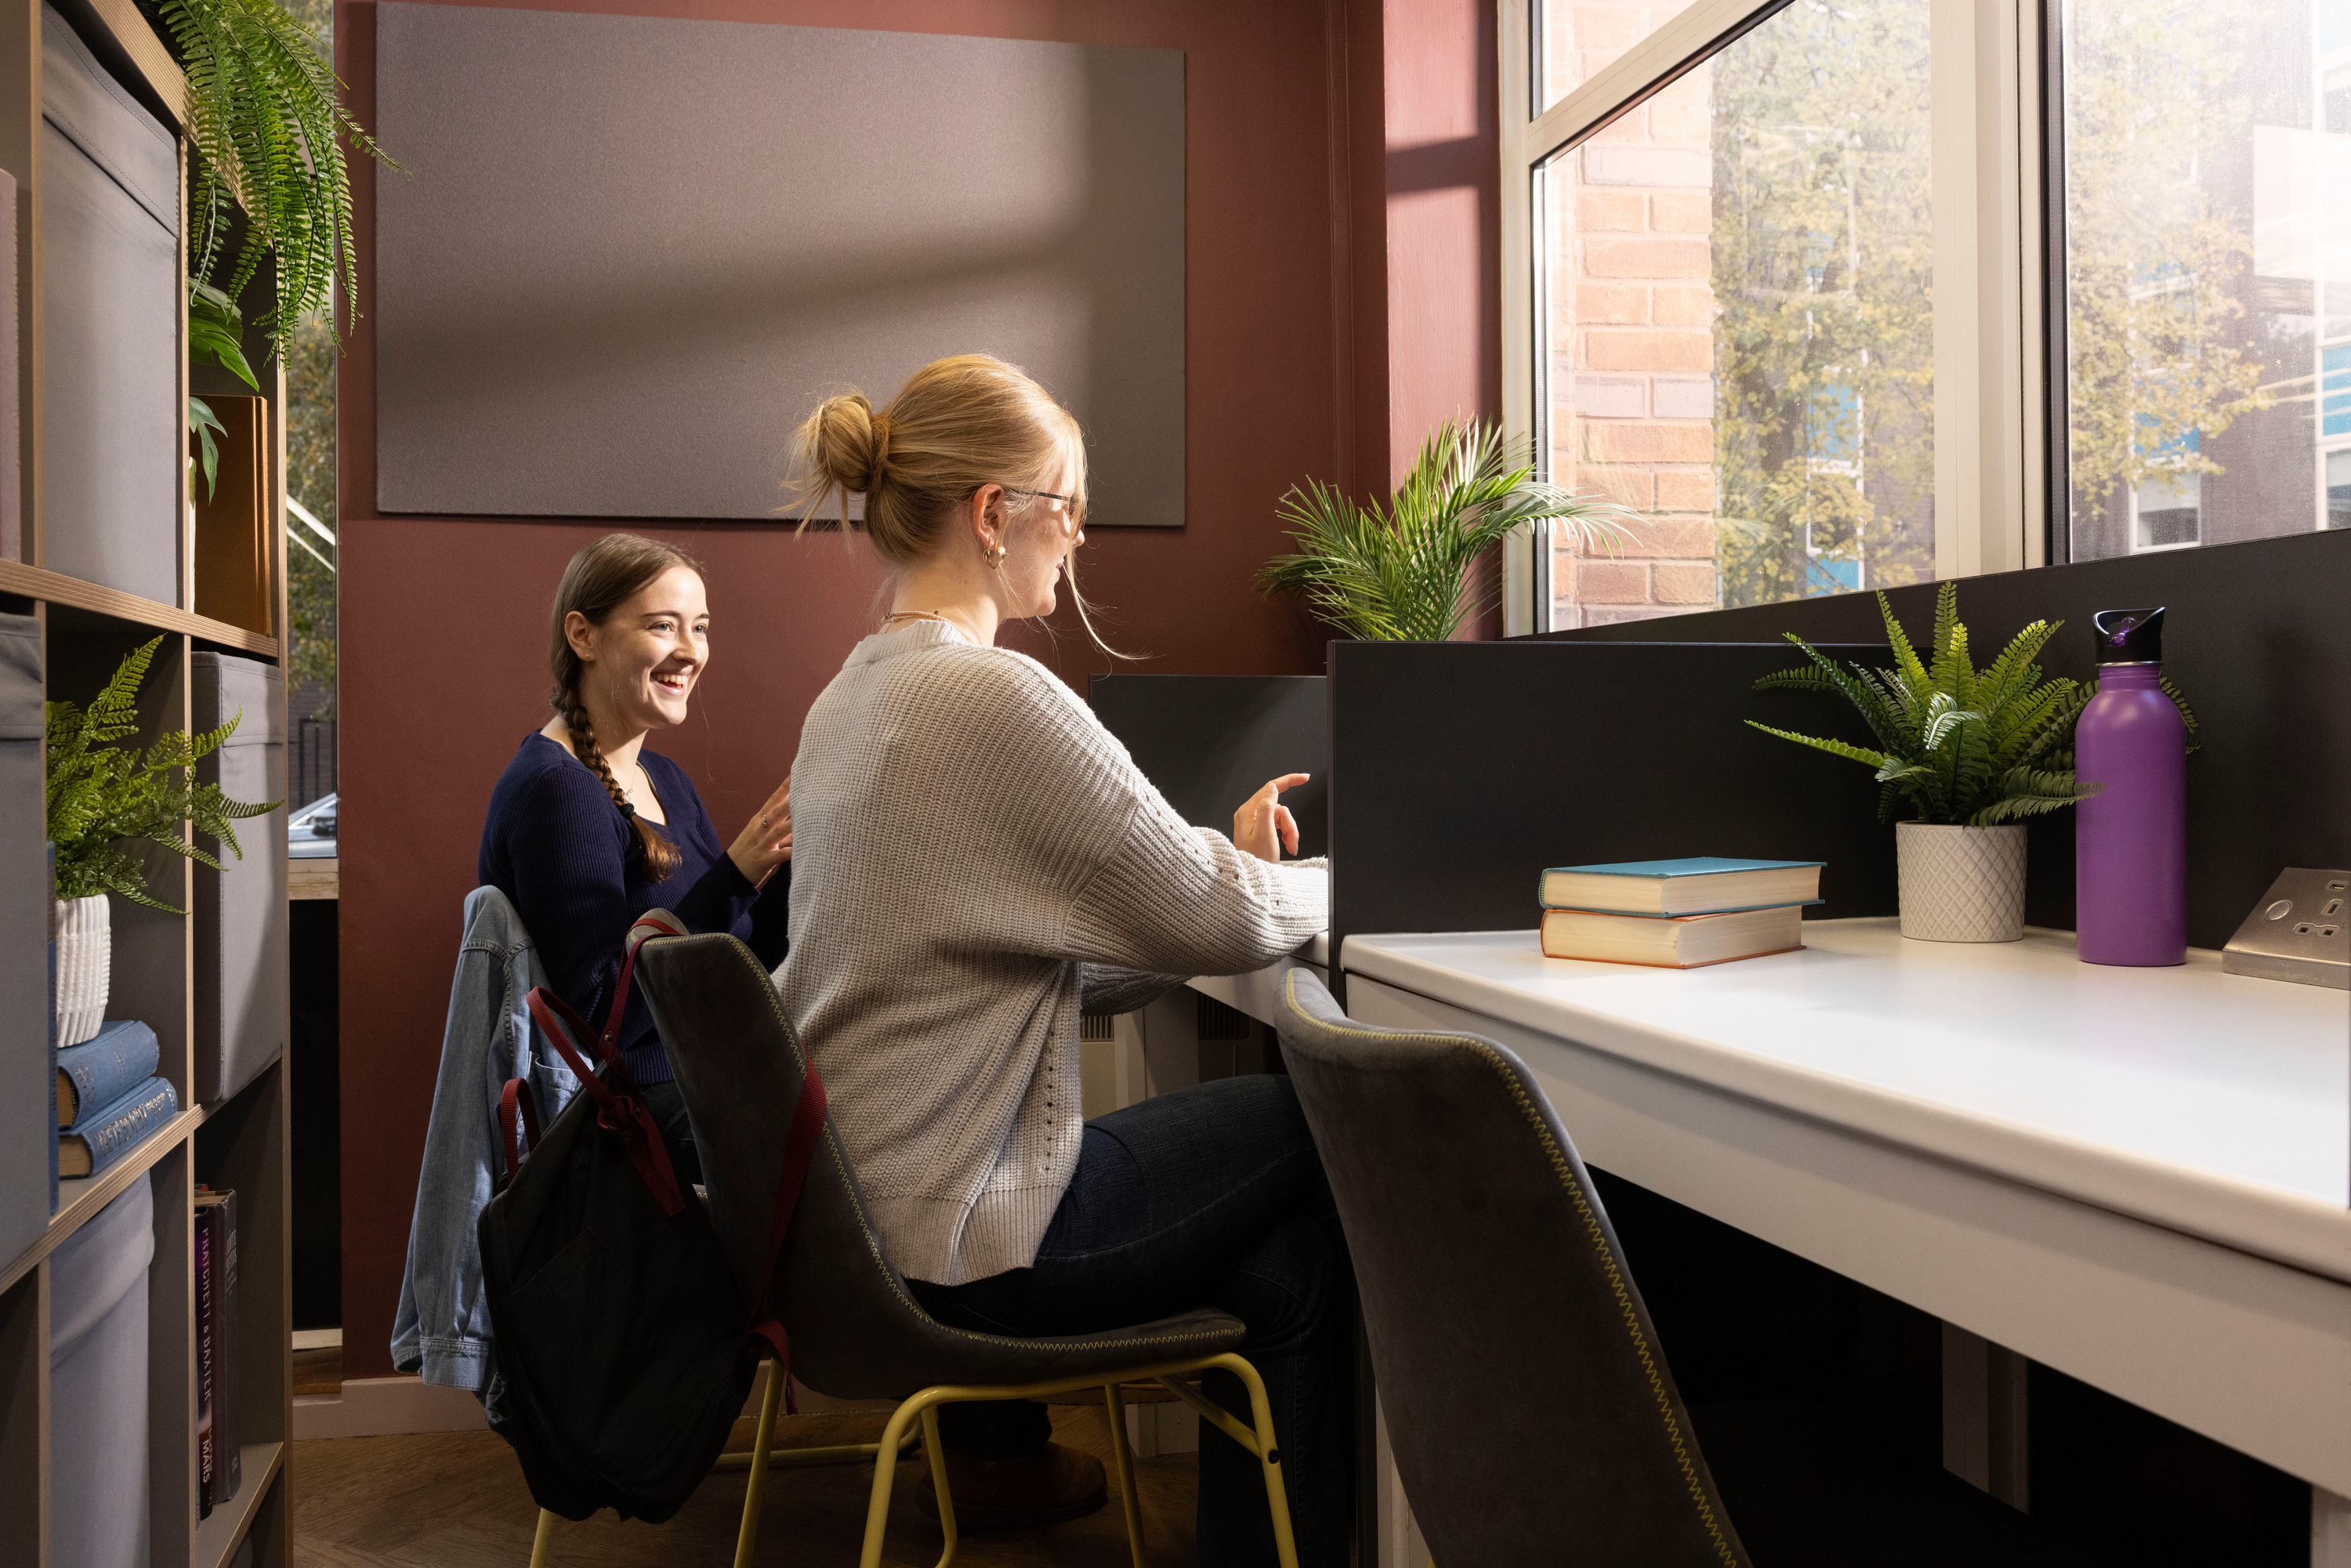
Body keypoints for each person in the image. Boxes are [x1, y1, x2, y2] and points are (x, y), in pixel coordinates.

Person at [781, 355, 1349, 1567]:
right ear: (994, 514)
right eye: (1066, 503)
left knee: (1291, 1271)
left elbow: (1002, 963)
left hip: (859, 1228)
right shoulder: (993, 699)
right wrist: (1351, 880)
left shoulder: (852, 700)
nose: (1079, 535)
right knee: (1331, 1106)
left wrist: (1227, 875)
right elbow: (1218, 922)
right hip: (963, 1239)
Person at [479, 532, 796, 1169]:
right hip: (630, 1127)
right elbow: (599, 1019)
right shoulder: (557, 789)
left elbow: (736, 960)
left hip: (698, 1084)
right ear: (583, 635)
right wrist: (737, 871)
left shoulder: (664, 778)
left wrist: (803, 859)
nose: (691, 650)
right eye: (663, 625)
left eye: (700, 628)